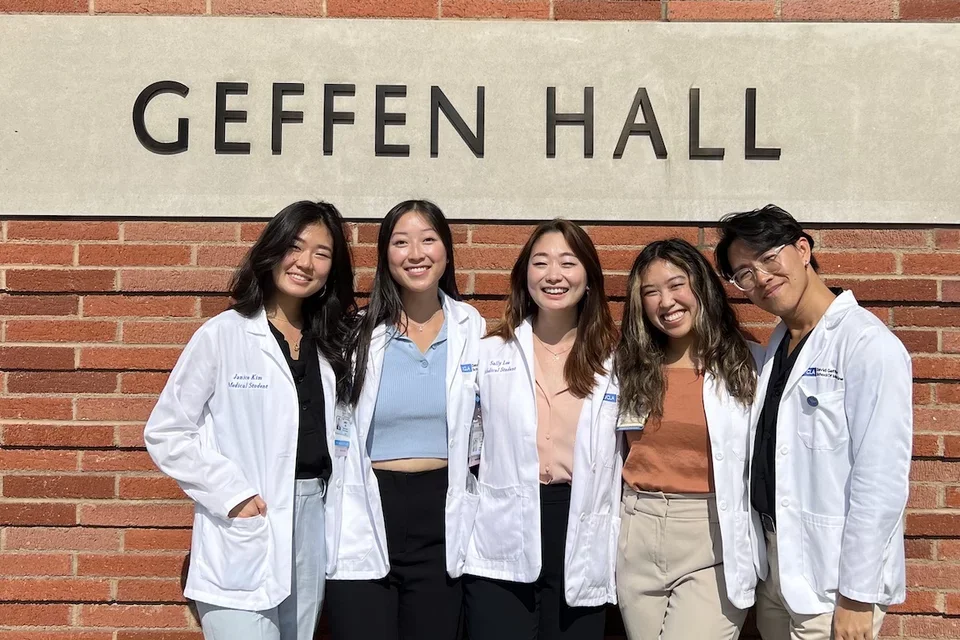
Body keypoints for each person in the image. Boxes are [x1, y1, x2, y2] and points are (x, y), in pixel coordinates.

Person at [143, 201, 357, 640]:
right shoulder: (224, 334)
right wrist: (232, 494)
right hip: (247, 519)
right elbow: (166, 431)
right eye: (295, 247)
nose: (305, 263)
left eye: (321, 253)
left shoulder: (332, 344)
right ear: (272, 251)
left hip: (313, 518)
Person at [715, 204, 912, 640]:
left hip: (833, 581)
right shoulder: (779, 343)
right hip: (776, 570)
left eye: (769, 258)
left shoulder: (867, 345)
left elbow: (882, 481)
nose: (761, 277)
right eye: (744, 273)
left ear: (802, 250)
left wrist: (857, 596)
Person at [324, 200, 485, 640]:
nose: (416, 254)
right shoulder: (357, 333)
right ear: (385, 255)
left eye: (428, 240)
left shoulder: (472, 328)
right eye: (401, 242)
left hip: (441, 515)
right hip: (368, 507)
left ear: (446, 251)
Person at [463, 219, 620, 640]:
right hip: (503, 525)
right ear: (524, 275)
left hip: (578, 522)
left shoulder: (616, 360)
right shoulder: (489, 353)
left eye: (568, 263)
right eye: (540, 263)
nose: (554, 275)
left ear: (589, 277)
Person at [613, 238, 761, 640]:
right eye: (651, 292)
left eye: (677, 285)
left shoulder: (749, 365)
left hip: (712, 536)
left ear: (702, 287)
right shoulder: (626, 367)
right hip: (637, 532)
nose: (666, 302)